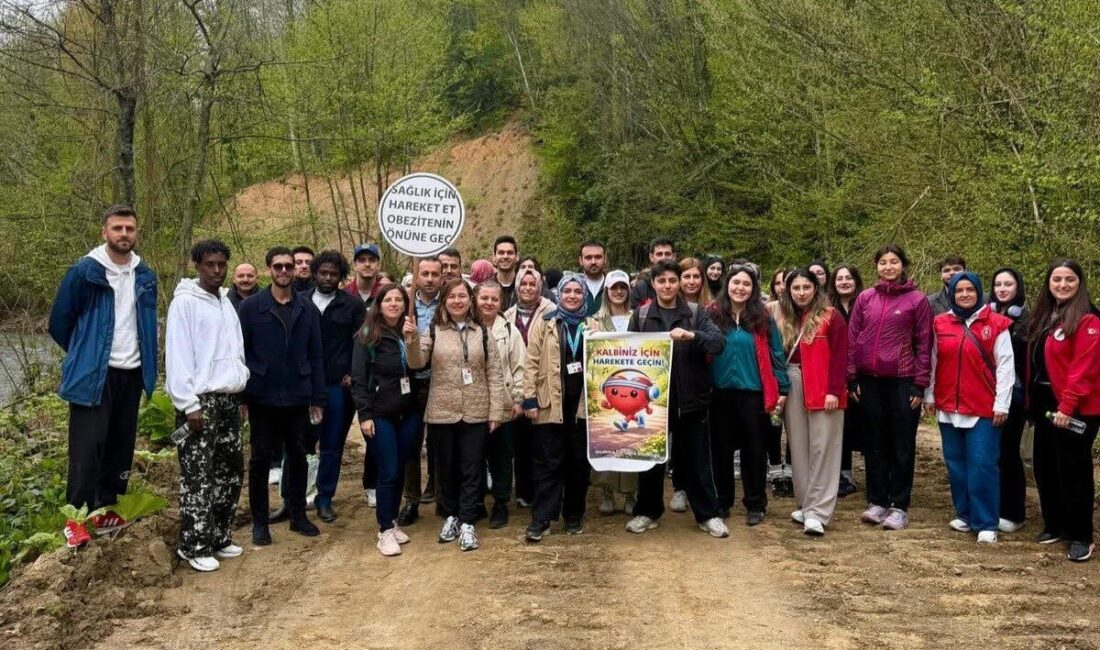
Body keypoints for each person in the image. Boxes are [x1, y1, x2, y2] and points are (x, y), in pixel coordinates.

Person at [49, 205, 158, 548]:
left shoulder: (145, 275)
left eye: (129, 228)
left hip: (132, 372)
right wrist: (86, 355)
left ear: (136, 233)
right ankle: (76, 519)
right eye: (117, 228)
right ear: (104, 232)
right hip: (94, 375)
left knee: (120, 446)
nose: (124, 234)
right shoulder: (84, 272)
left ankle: (105, 508)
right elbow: (60, 323)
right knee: (87, 449)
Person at [625, 260, 729, 538]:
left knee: (697, 461)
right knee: (651, 460)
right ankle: (647, 511)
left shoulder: (696, 313)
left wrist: (692, 336)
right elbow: (626, 354)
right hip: (652, 403)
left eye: (672, 281)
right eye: (662, 281)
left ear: (679, 283)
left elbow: (718, 343)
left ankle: (708, 514)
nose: (668, 286)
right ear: (654, 284)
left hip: (691, 399)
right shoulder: (642, 314)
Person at [165, 239, 249, 571]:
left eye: (221, 264)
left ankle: (218, 535)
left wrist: (240, 386)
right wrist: (188, 404)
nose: (217, 270)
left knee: (229, 471)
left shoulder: (225, 303)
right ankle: (194, 544)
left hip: (229, 398)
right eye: (210, 264)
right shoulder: (185, 304)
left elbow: (235, 350)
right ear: (197, 266)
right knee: (198, 474)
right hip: (200, 401)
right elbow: (178, 355)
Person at [238, 246, 326, 545]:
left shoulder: (307, 309)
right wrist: (243, 397)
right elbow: (241, 352)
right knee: (261, 460)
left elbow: (316, 354)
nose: (285, 271)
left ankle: (298, 514)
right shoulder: (251, 308)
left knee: (299, 457)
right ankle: (260, 522)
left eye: (289, 266)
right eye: (279, 267)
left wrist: (317, 397)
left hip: (298, 396)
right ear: (269, 270)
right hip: (262, 396)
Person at [923, 272, 1014, 544]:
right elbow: (933, 361)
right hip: (948, 404)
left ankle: (986, 521)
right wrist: (929, 395)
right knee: (956, 464)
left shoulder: (996, 324)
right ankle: (965, 513)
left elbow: (1006, 366)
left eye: (969, 290)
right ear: (951, 293)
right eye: (959, 290)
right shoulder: (940, 323)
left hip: (983, 406)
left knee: (982, 465)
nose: (964, 294)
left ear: (979, 292)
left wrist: (1002, 403)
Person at [848, 244, 933, 531]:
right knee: (874, 443)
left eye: (893, 262)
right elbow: (852, 338)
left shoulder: (917, 300)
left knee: (901, 444)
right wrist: (852, 377)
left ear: (902, 266)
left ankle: (899, 505)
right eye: (883, 262)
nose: (888, 267)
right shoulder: (865, 298)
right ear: (876, 267)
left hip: (902, 381)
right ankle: (876, 501)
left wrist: (920, 384)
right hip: (869, 381)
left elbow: (924, 344)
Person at [417, 278, 505, 552]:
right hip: (442, 411)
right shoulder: (434, 329)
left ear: (470, 301)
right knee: (447, 469)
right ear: (445, 300)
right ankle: (451, 516)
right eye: (452, 296)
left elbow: (495, 373)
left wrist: (495, 411)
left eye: (462, 296)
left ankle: (468, 522)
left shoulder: (483, 332)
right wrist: (410, 339)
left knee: (472, 468)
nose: (457, 301)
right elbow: (416, 362)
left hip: (476, 411)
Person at [1026, 260, 1100, 562]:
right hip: (1044, 400)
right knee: (1045, 465)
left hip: (1076, 406)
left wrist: (1067, 406)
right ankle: (1055, 524)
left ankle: (1081, 535)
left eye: (1069, 279)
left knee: (1073, 470)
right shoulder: (1046, 315)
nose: (1062, 284)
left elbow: (1084, 369)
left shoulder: (1089, 319)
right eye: (1057, 279)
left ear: (1079, 283)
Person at [520, 276, 602, 541]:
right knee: (548, 465)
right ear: (559, 294)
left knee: (578, 464)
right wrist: (529, 399)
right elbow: (530, 362)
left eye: (578, 291)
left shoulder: (594, 325)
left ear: (584, 297)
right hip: (550, 405)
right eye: (567, 290)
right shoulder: (545, 323)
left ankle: (574, 515)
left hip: (583, 409)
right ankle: (542, 518)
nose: (573, 295)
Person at [708, 264, 789, 525]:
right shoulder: (712, 314)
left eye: (746, 284)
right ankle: (722, 501)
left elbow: (777, 354)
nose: (740, 288)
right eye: (736, 283)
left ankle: (755, 503)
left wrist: (783, 388)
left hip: (753, 394)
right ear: (727, 285)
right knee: (720, 451)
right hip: (719, 394)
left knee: (755, 450)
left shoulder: (763, 317)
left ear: (753, 289)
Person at [350, 284, 425, 556]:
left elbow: (418, 367)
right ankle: (383, 531)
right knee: (389, 470)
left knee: (401, 469)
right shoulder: (367, 335)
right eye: (388, 300)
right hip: (381, 413)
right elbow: (358, 379)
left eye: (398, 300)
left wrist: (413, 339)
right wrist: (365, 415)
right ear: (379, 304)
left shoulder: (408, 331)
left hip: (409, 412)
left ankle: (392, 522)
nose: (394, 304)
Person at [775, 269, 848, 536]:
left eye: (807, 287)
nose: (802, 292)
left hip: (824, 384)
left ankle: (819, 511)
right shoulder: (784, 318)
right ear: (788, 290)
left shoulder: (832, 316)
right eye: (796, 288)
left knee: (824, 447)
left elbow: (841, 356)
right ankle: (806, 504)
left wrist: (834, 390)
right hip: (793, 383)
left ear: (815, 289)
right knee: (799, 446)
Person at [304, 251, 367, 523]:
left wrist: (352, 372)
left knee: (331, 445)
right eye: (323, 273)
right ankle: (292, 498)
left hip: (336, 388)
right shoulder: (299, 302)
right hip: (303, 387)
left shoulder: (352, 306)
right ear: (314, 273)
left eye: (333, 274)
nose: (328, 278)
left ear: (341, 277)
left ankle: (325, 498)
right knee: (299, 445)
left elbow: (361, 342)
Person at [474, 280, 526, 529]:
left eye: (494, 299)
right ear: (476, 299)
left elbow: (519, 367)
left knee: (502, 457)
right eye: (484, 298)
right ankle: (475, 502)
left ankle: (501, 504)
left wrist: (518, 398)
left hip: (503, 404)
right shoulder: (468, 327)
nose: (489, 303)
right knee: (474, 456)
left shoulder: (510, 330)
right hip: (473, 405)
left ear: (501, 302)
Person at [397, 257, 444, 526]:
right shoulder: (404, 303)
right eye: (423, 273)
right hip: (410, 381)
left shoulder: (449, 302)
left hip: (439, 380)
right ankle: (411, 500)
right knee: (410, 443)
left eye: (433, 274)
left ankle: (442, 495)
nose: (428, 279)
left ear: (441, 277)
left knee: (441, 443)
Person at [504, 268, 557, 507]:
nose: (527, 288)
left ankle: (542, 491)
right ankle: (524, 491)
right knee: (520, 442)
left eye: (532, 283)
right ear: (517, 287)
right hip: (515, 385)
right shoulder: (507, 315)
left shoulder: (552, 312)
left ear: (540, 286)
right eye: (523, 283)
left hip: (542, 384)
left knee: (542, 443)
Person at [589, 269, 638, 515]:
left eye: (622, 287)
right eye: (613, 288)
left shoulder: (638, 317)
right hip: (606, 390)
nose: (618, 292)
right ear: (606, 291)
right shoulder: (594, 321)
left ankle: (630, 493)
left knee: (631, 441)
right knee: (607, 439)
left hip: (631, 387)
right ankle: (607, 492)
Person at [988, 267, 1029, 532]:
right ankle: (995, 505)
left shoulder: (1027, 320)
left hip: (1014, 394)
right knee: (993, 453)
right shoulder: (988, 316)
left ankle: (1015, 512)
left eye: (1008, 284)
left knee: (1009, 452)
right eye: (998, 284)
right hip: (987, 392)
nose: (1003, 289)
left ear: (1018, 288)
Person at [829, 264, 865, 498]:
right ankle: (843, 475)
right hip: (836, 374)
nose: (844, 282)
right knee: (839, 427)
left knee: (864, 425)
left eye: (848, 278)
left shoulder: (866, 303)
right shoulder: (827, 308)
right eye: (839, 278)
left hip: (864, 374)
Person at [629, 237, 676, 308]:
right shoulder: (641, 288)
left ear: (674, 256)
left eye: (667, 254)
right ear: (651, 257)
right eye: (659, 254)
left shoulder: (683, 283)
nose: (663, 258)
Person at [345, 243, 382, 309]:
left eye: (372, 260)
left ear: (378, 265)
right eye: (362, 260)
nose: (367, 264)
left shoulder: (386, 293)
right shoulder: (344, 294)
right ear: (354, 265)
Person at [579, 240, 607, 314]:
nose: (593, 262)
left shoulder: (614, 287)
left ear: (605, 259)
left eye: (598, 257)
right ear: (580, 260)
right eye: (588, 258)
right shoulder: (572, 289)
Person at [493, 235, 519, 307]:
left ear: (517, 257)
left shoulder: (526, 287)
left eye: (510, 253)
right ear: (494, 257)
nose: (505, 256)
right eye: (501, 253)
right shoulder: (484, 289)